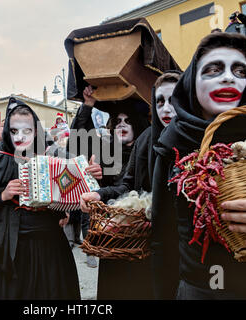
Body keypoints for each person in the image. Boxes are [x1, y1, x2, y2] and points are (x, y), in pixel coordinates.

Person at [151, 32, 246, 299]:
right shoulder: (171, 142)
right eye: (214, 69)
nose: (228, 77)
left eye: (239, 70)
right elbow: (163, 240)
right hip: (202, 291)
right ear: (193, 80)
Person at [0, 98, 81, 299]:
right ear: (7, 130)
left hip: (52, 242)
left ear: (36, 131)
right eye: (14, 131)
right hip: (17, 245)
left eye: (26, 130)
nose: (20, 136)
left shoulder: (49, 158)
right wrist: (2, 196)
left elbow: (66, 190)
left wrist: (64, 209)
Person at [80, 71, 181, 298]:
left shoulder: (199, 138)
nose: (166, 108)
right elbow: (127, 187)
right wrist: (99, 193)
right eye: (160, 101)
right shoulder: (145, 141)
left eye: (174, 100)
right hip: (144, 245)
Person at [69, 85, 150, 295]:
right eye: (118, 121)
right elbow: (78, 137)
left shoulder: (148, 153)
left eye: (128, 121)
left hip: (141, 240)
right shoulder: (105, 153)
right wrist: (87, 105)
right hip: (112, 239)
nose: (121, 125)